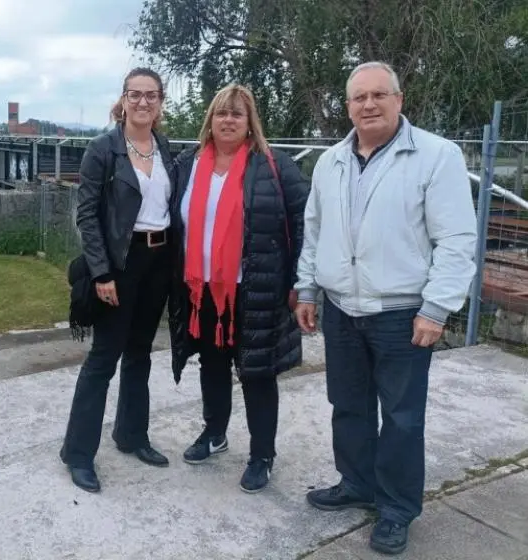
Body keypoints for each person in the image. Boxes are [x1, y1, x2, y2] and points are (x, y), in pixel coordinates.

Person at [294, 61, 478, 555]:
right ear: (348, 106)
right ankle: (357, 484)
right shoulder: (330, 161)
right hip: (341, 310)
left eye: (379, 95)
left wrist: (437, 307)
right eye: (359, 97)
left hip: (403, 313)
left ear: (399, 100)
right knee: (348, 406)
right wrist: (308, 289)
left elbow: (457, 239)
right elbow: (314, 232)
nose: (369, 104)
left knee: (401, 417)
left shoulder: (436, 157)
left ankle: (396, 509)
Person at [166, 84, 309, 493]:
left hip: (256, 290)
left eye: (237, 114)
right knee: (211, 365)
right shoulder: (187, 165)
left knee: (257, 374)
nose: (228, 120)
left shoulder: (274, 166)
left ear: (250, 123)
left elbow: (305, 224)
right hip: (203, 290)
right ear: (210, 119)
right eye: (221, 113)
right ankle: (215, 433)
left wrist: (301, 280)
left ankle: (262, 455)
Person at [59, 67, 175, 493]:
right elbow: (87, 215)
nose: (143, 102)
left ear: (161, 102)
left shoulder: (164, 147)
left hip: (158, 261)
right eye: (135, 94)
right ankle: (78, 452)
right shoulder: (103, 150)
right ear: (123, 100)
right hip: (120, 263)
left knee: (141, 353)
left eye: (151, 95)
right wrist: (102, 271)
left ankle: (131, 434)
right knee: (104, 357)